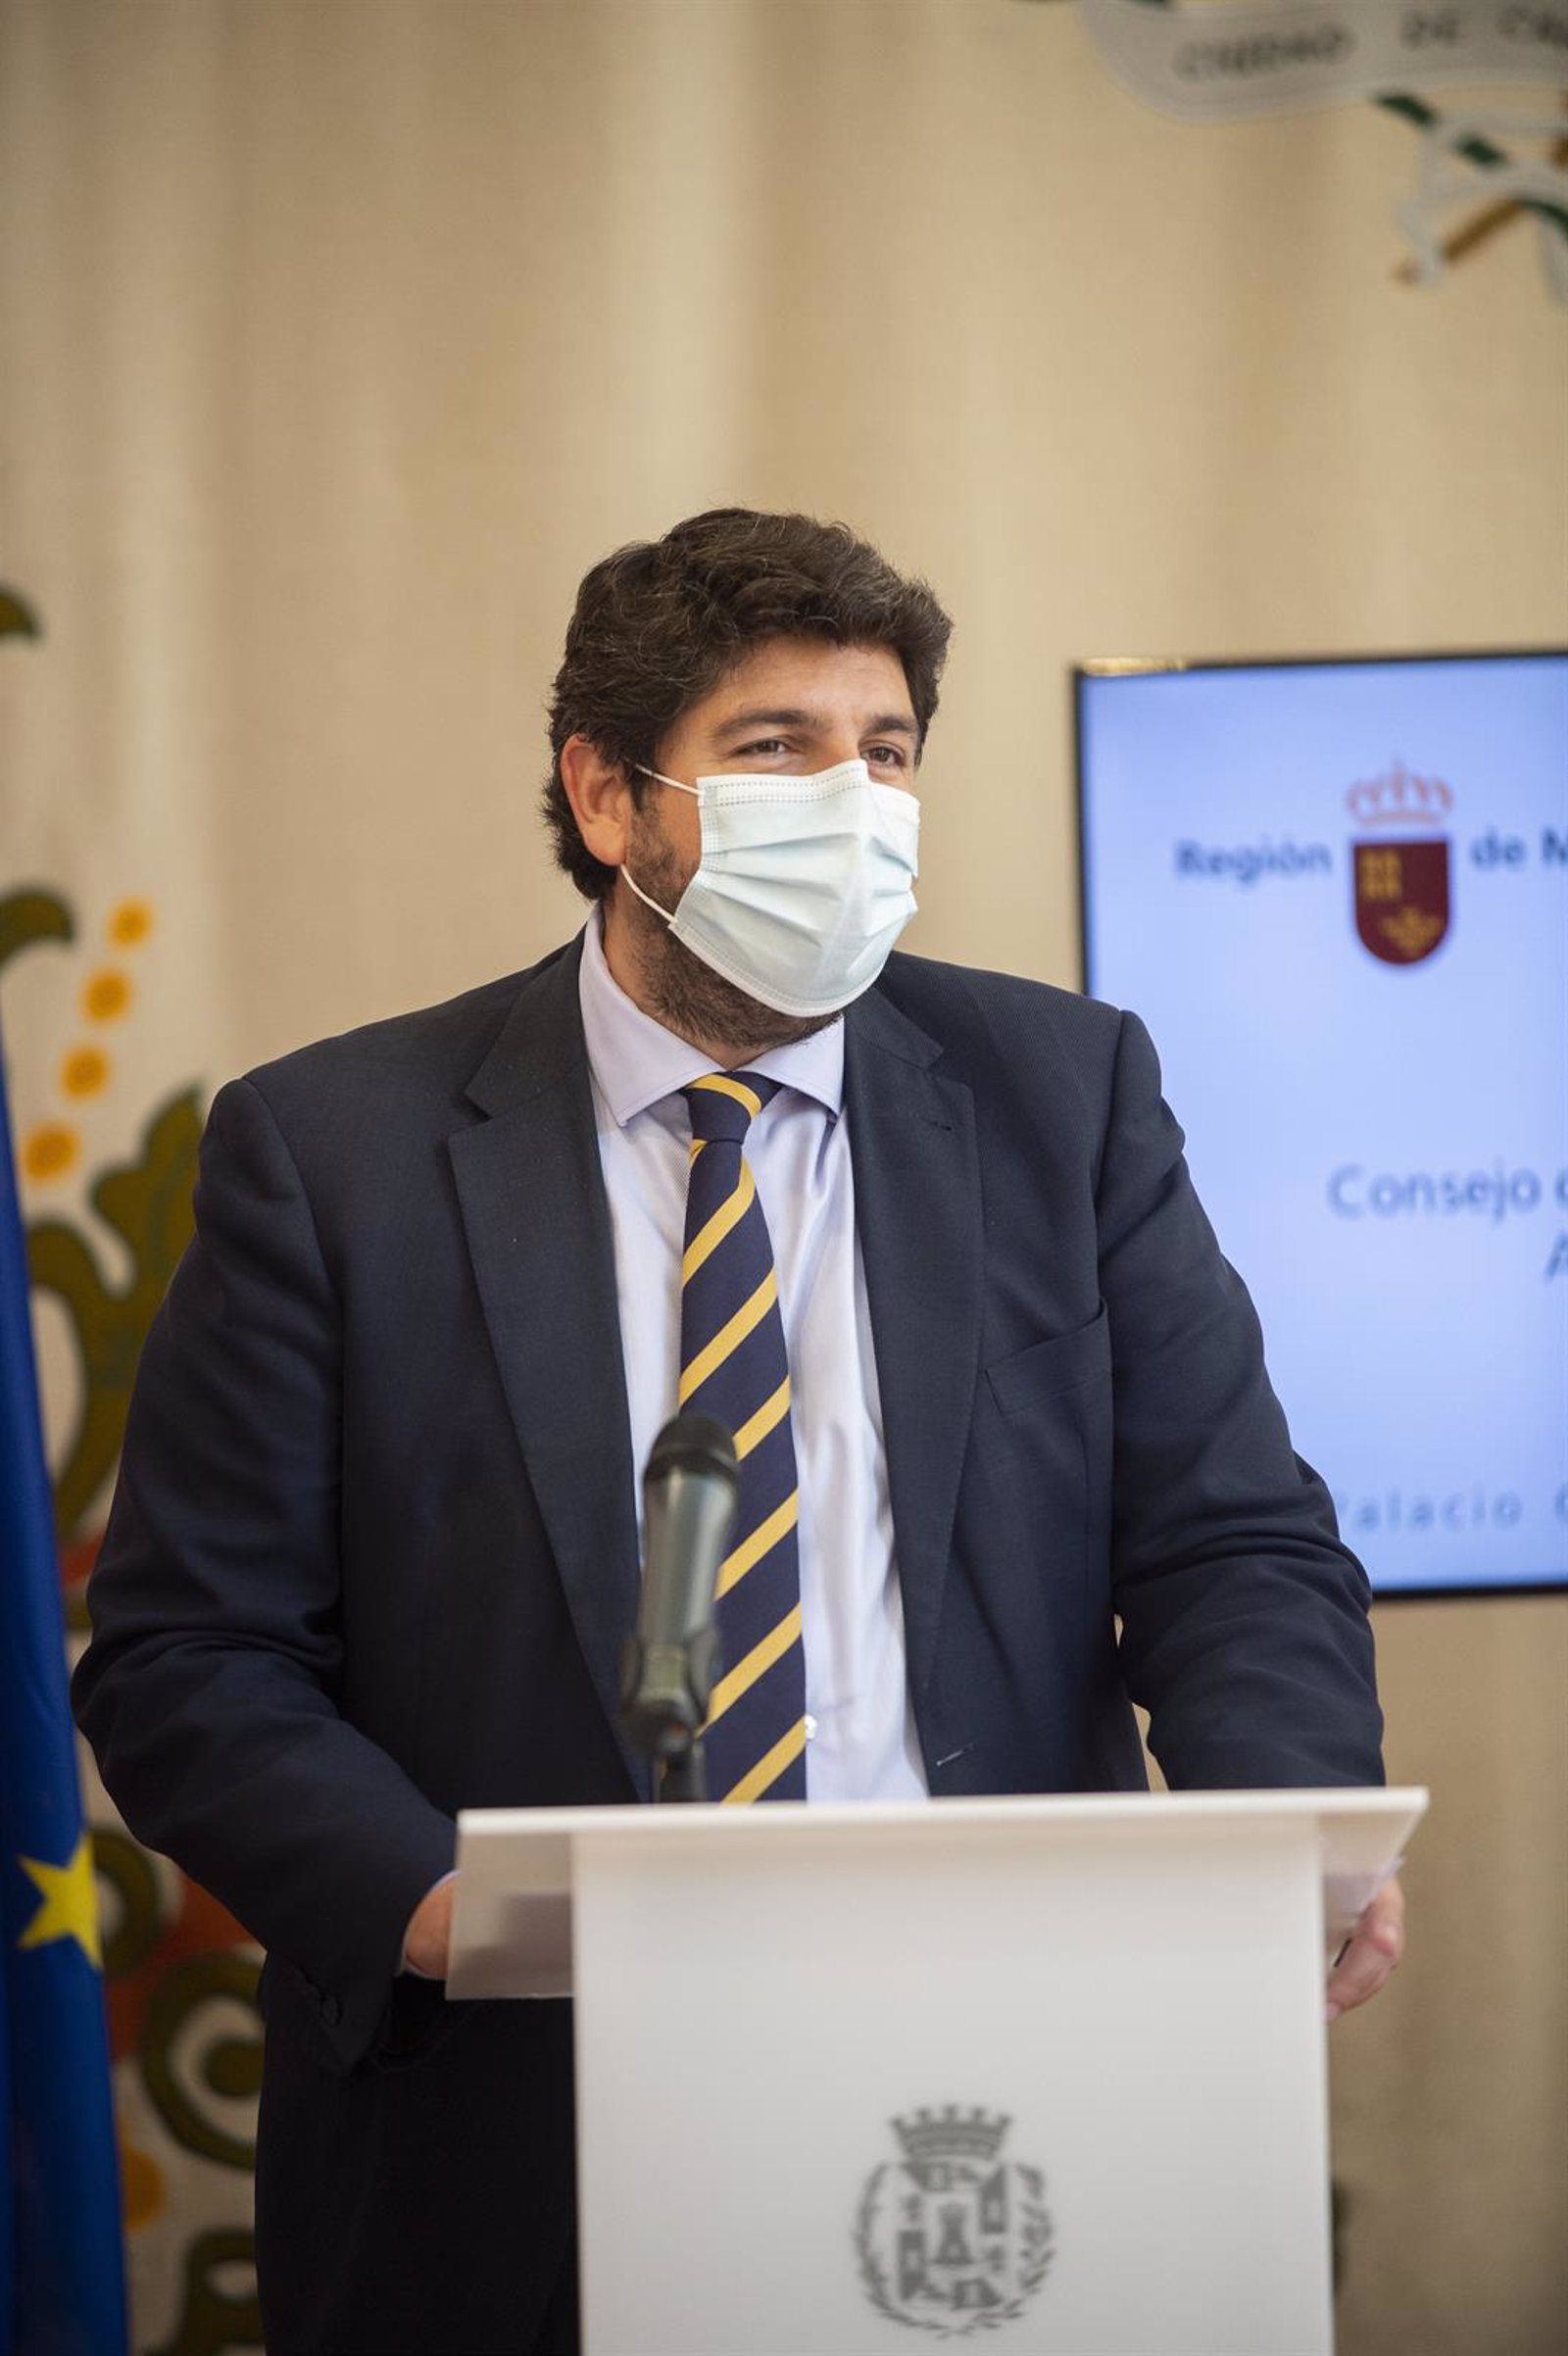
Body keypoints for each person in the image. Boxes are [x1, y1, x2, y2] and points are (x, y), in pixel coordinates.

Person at [74, 508, 1402, 2356]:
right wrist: (439, 1905)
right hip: (518, 2117)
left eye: (888, 753)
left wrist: (1286, 1828)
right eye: (777, 749)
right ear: (609, 798)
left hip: (1013, 2082)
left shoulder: (1065, 1095)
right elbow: (186, 1657)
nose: (852, 806)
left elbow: (1231, 1541)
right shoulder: (331, 1156)